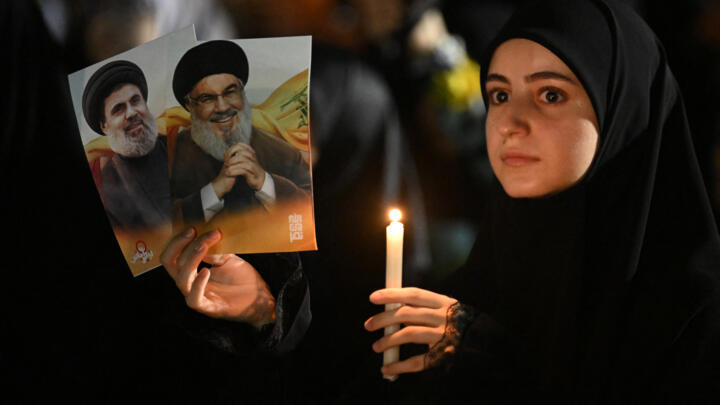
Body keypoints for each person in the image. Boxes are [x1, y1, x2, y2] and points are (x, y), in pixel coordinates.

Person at [365, 0, 720, 402]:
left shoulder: (695, 317)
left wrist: (497, 367)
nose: (509, 124)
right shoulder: (473, 290)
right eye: (499, 95)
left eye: (550, 94)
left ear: (622, 111)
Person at [170, 40, 312, 225]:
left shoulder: (285, 154)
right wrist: (214, 191)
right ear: (189, 105)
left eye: (230, 92)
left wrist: (265, 183)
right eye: (207, 98)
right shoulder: (170, 155)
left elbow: (309, 216)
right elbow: (152, 225)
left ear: (243, 94)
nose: (222, 107)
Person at [82, 59, 171, 231]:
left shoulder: (178, 145)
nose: (131, 113)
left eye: (135, 101)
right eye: (118, 109)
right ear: (104, 126)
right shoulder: (106, 189)